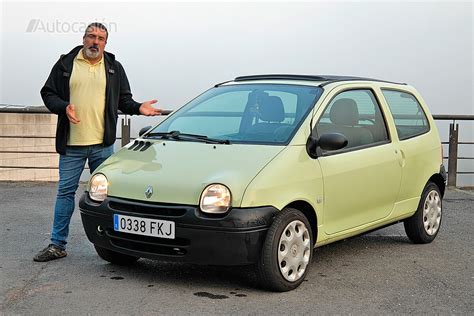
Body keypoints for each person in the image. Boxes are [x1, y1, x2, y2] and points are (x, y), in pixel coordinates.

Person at [34, 22, 161, 262]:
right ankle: (57, 244)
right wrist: (63, 107)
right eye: (91, 36)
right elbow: (48, 93)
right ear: (83, 39)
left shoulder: (114, 67)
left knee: (108, 196)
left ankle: (115, 245)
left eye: (101, 38)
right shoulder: (65, 64)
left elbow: (124, 100)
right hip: (71, 144)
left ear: (106, 43)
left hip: (102, 146)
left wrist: (139, 108)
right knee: (65, 193)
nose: (95, 41)